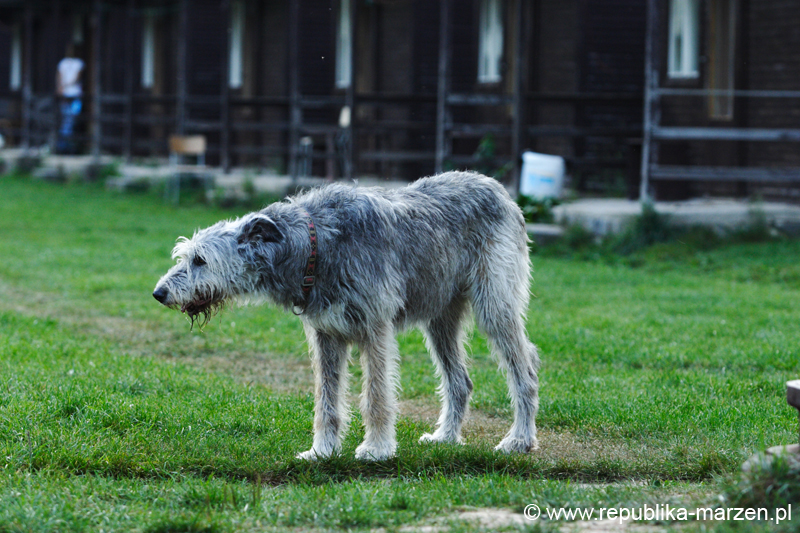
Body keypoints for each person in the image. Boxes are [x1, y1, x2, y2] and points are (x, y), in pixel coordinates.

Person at [56, 44, 84, 154]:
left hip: (73, 94)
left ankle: (67, 146)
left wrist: (63, 86)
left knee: (71, 120)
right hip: (68, 94)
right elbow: (60, 77)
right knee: (67, 120)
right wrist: (62, 87)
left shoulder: (78, 63)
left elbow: (76, 77)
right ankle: (64, 147)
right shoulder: (64, 63)